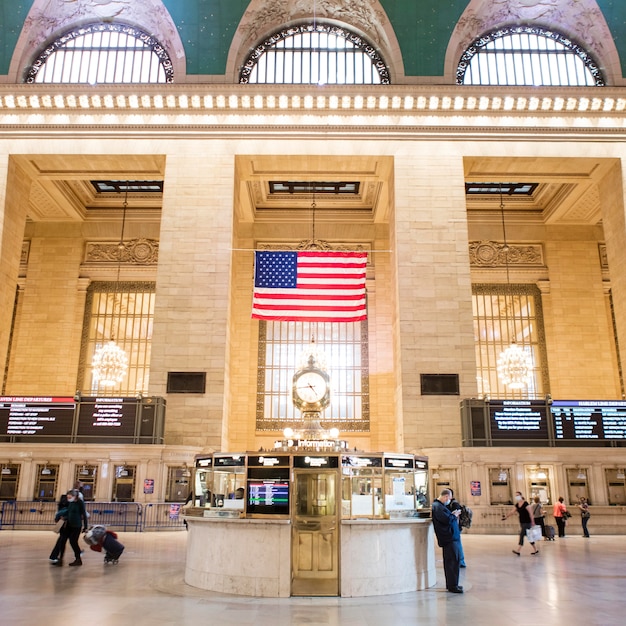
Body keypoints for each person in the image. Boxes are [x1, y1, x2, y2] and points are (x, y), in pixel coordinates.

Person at [431, 488, 464, 593]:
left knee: (454, 561)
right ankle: (452, 585)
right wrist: (454, 515)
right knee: (451, 563)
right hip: (449, 538)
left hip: (451, 537)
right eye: (449, 498)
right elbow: (446, 519)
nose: (449, 500)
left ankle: (453, 584)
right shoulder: (437, 507)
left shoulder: (441, 506)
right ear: (445, 496)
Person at [53, 489, 89, 566]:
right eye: (68, 498)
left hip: (76, 526)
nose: (68, 499)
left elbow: (84, 514)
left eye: (70, 497)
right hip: (68, 524)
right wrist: (60, 517)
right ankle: (60, 559)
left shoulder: (80, 503)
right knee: (62, 541)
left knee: (73, 542)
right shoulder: (70, 503)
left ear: (74, 496)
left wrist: (85, 527)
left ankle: (78, 559)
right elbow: (68, 511)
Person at [502, 491, 539, 555]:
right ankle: (536, 549)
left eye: (518, 495)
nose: (517, 497)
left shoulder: (525, 504)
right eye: (516, 496)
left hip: (527, 522)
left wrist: (533, 522)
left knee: (521, 535)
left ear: (521, 496)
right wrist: (506, 517)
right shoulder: (517, 504)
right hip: (522, 522)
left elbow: (531, 513)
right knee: (529, 536)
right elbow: (512, 511)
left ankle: (518, 550)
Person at [446, 489, 467, 568]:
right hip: (454, 527)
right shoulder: (450, 503)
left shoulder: (454, 504)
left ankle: (461, 561)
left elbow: (457, 516)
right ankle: (458, 561)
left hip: (456, 528)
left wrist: (456, 528)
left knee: (457, 544)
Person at [49, 492, 69, 566]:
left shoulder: (60, 506)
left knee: (61, 540)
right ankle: (58, 557)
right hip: (67, 525)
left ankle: (55, 556)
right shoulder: (69, 506)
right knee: (64, 541)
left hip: (62, 524)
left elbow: (57, 516)